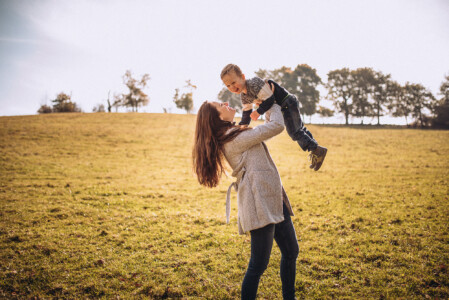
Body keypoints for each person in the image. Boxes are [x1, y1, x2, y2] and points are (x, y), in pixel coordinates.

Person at [192, 97, 299, 300]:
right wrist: (272, 101)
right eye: (220, 105)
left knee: (291, 250)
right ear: (216, 118)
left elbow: (244, 125)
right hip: (258, 202)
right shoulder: (233, 140)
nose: (225, 103)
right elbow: (276, 126)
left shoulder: (232, 133)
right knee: (258, 264)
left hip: (274, 196)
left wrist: (249, 110)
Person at [220, 63, 327, 171]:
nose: (232, 87)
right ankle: (317, 151)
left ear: (242, 77)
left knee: (294, 132)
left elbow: (270, 99)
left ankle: (316, 150)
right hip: (282, 105)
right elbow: (246, 113)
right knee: (299, 129)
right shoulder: (244, 97)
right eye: (228, 85)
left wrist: (259, 111)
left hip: (286, 101)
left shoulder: (254, 84)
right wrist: (241, 128)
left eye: (233, 82)